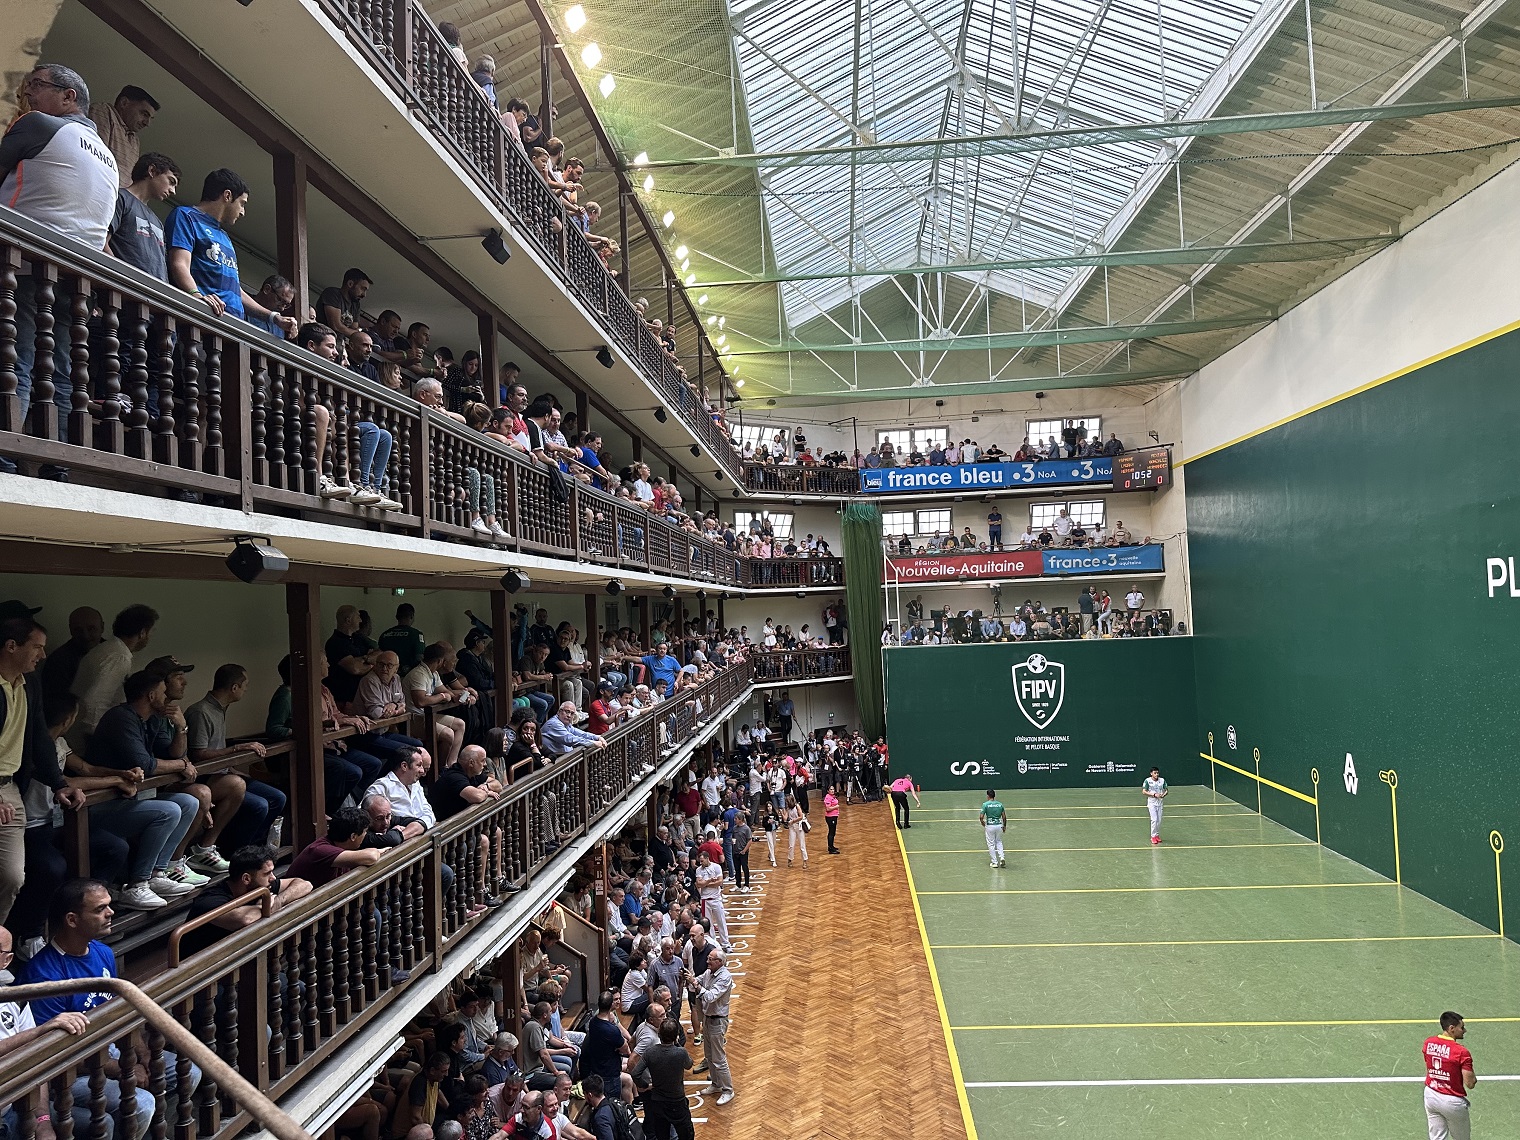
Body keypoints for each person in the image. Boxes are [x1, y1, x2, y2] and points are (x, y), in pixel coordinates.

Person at [0, 613, 87, 926]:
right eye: (37, 647)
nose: (43, 655)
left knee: (12, 876)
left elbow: (39, 736)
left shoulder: (30, 683)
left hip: (10, 788)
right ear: (11, 646)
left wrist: (59, 783)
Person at [685, 949, 734, 1106]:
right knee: (709, 1055)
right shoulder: (708, 973)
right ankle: (716, 1084)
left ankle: (728, 1090)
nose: (707, 961)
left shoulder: (725, 977)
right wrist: (690, 978)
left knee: (719, 1058)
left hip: (718, 1021)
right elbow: (696, 981)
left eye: (711, 959)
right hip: (707, 1019)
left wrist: (695, 983)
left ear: (719, 962)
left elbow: (710, 996)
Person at [1423, 1011, 1476, 1140]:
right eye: (1462, 1027)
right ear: (1452, 1028)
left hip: (1431, 1095)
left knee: (1436, 1137)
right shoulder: (1461, 1052)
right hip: (1452, 1101)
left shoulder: (1428, 1043)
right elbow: (1470, 1083)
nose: (1464, 1031)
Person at [980, 788, 1006, 868]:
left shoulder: (985, 804)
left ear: (988, 796)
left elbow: (981, 817)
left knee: (991, 844)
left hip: (990, 826)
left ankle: (994, 862)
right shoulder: (1000, 804)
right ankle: (1002, 857)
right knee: (999, 841)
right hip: (999, 825)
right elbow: (1004, 817)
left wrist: (982, 822)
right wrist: (1004, 826)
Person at [1143, 766, 1167, 845]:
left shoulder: (1162, 780)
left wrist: (1163, 795)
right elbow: (1144, 791)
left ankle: (1157, 835)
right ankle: (1153, 836)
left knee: (1159, 820)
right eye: (1155, 773)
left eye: (1157, 773)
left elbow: (1166, 790)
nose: (1156, 774)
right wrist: (1154, 794)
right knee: (1154, 819)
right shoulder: (1147, 781)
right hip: (1152, 803)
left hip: (1160, 803)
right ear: (1151, 773)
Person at [783, 792, 807, 868]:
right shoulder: (788, 808)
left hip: (799, 826)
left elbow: (801, 816)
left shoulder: (797, 806)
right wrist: (782, 812)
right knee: (791, 845)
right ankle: (790, 859)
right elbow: (785, 818)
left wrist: (793, 821)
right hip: (792, 827)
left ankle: (805, 860)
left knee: (802, 845)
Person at [822, 784, 841, 855]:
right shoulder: (828, 798)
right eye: (831, 789)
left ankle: (832, 846)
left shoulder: (832, 797)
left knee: (833, 832)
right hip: (830, 817)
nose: (832, 791)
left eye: (833, 789)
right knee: (831, 832)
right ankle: (830, 848)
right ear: (828, 791)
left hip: (834, 816)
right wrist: (836, 807)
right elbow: (828, 809)